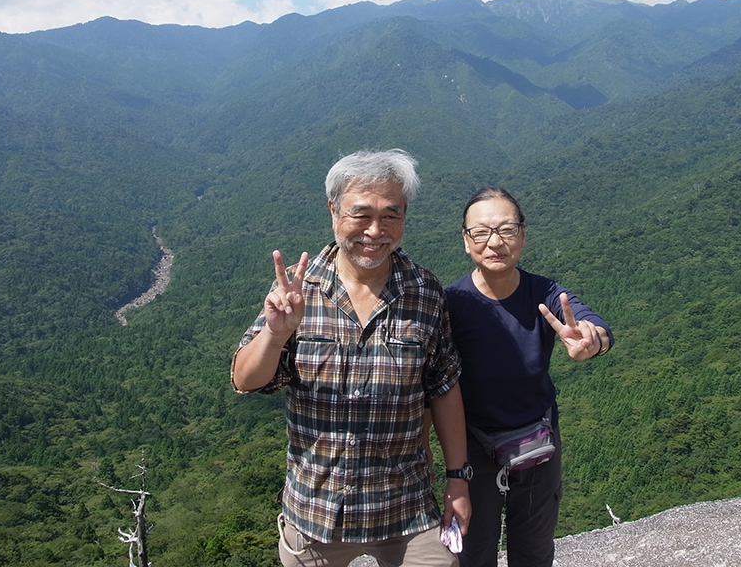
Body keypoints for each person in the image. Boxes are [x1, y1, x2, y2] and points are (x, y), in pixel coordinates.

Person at [231, 149, 472, 567]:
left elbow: (443, 387)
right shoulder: (299, 291)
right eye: (360, 214)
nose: (375, 231)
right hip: (317, 512)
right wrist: (276, 332)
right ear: (333, 210)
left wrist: (458, 480)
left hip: (406, 507)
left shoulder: (424, 292)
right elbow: (245, 380)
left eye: (391, 216)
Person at [444, 187, 613, 567]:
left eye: (506, 229)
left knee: (534, 552)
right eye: (482, 232)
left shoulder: (546, 293)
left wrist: (591, 340)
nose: (495, 242)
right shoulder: (451, 304)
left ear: (523, 234)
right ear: (466, 241)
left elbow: (594, 326)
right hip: (474, 447)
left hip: (536, 439)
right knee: (475, 552)